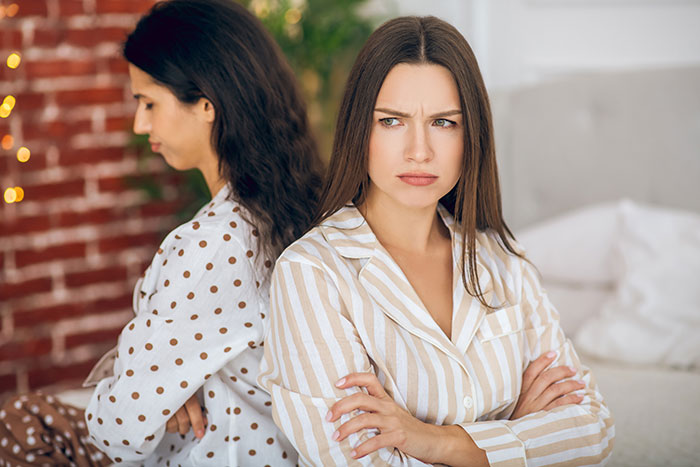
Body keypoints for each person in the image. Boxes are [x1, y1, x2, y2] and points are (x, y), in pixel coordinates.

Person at [258, 15, 614, 466]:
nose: (419, 150)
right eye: (392, 121)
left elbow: (592, 428)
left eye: (444, 123)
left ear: (472, 136)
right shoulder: (312, 274)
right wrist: (515, 436)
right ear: (357, 130)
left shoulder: (503, 260)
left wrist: (433, 441)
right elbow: (364, 461)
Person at [0, 0, 322, 465]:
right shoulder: (293, 210)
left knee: (19, 425)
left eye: (149, 102)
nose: (140, 123)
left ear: (207, 104)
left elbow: (117, 430)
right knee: (32, 413)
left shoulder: (212, 246)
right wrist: (163, 389)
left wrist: (149, 394)